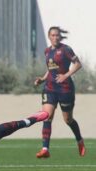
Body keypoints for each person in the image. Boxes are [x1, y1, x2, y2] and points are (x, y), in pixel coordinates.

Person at [34, 26, 85, 158]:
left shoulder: (65, 49)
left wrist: (66, 75)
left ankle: (79, 140)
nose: (55, 37)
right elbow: (50, 69)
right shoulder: (47, 51)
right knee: (46, 116)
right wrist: (42, 79)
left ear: (60, 36)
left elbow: (78, 64)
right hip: (50, 88)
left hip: (65, 89)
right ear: (49, 36)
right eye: (52, 35)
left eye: (57, 35)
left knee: (68, 120)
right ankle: (45, 149)